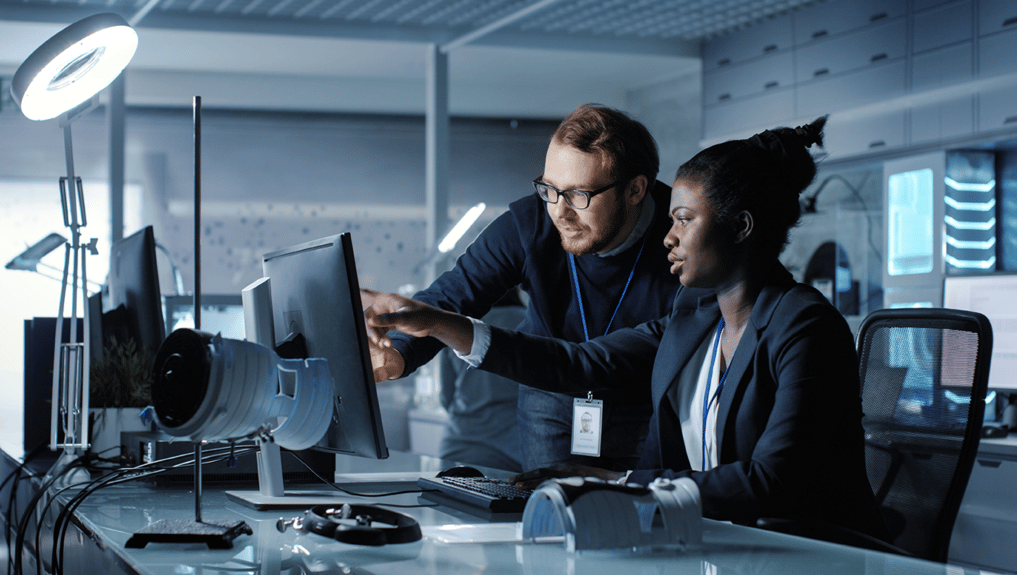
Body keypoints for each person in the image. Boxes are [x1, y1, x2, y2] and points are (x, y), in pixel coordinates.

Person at [365, 116, 890, 538]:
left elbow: (772, 484)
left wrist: (618, 482)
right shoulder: (697, 319)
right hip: (730, 536)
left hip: (808, 549)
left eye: (683, 220)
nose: (669, 235)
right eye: (551, 190)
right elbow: (579, 363)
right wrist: (430, 327)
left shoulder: (804, 326)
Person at [370, 104, 681, 472]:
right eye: (549, 189)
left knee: (639, 519)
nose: (559, 212)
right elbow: (450, 297)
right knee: (549, 513)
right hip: (548, 395)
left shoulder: (682, 235)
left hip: (643, 398)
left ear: (635, 190)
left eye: (578, 195)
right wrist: (398, 356)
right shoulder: (530, 221)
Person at [438, 289, 525, 471]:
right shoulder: (528, 321)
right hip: (515, 450)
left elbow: (446, 397)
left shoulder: (457, 326)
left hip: (460, 443)